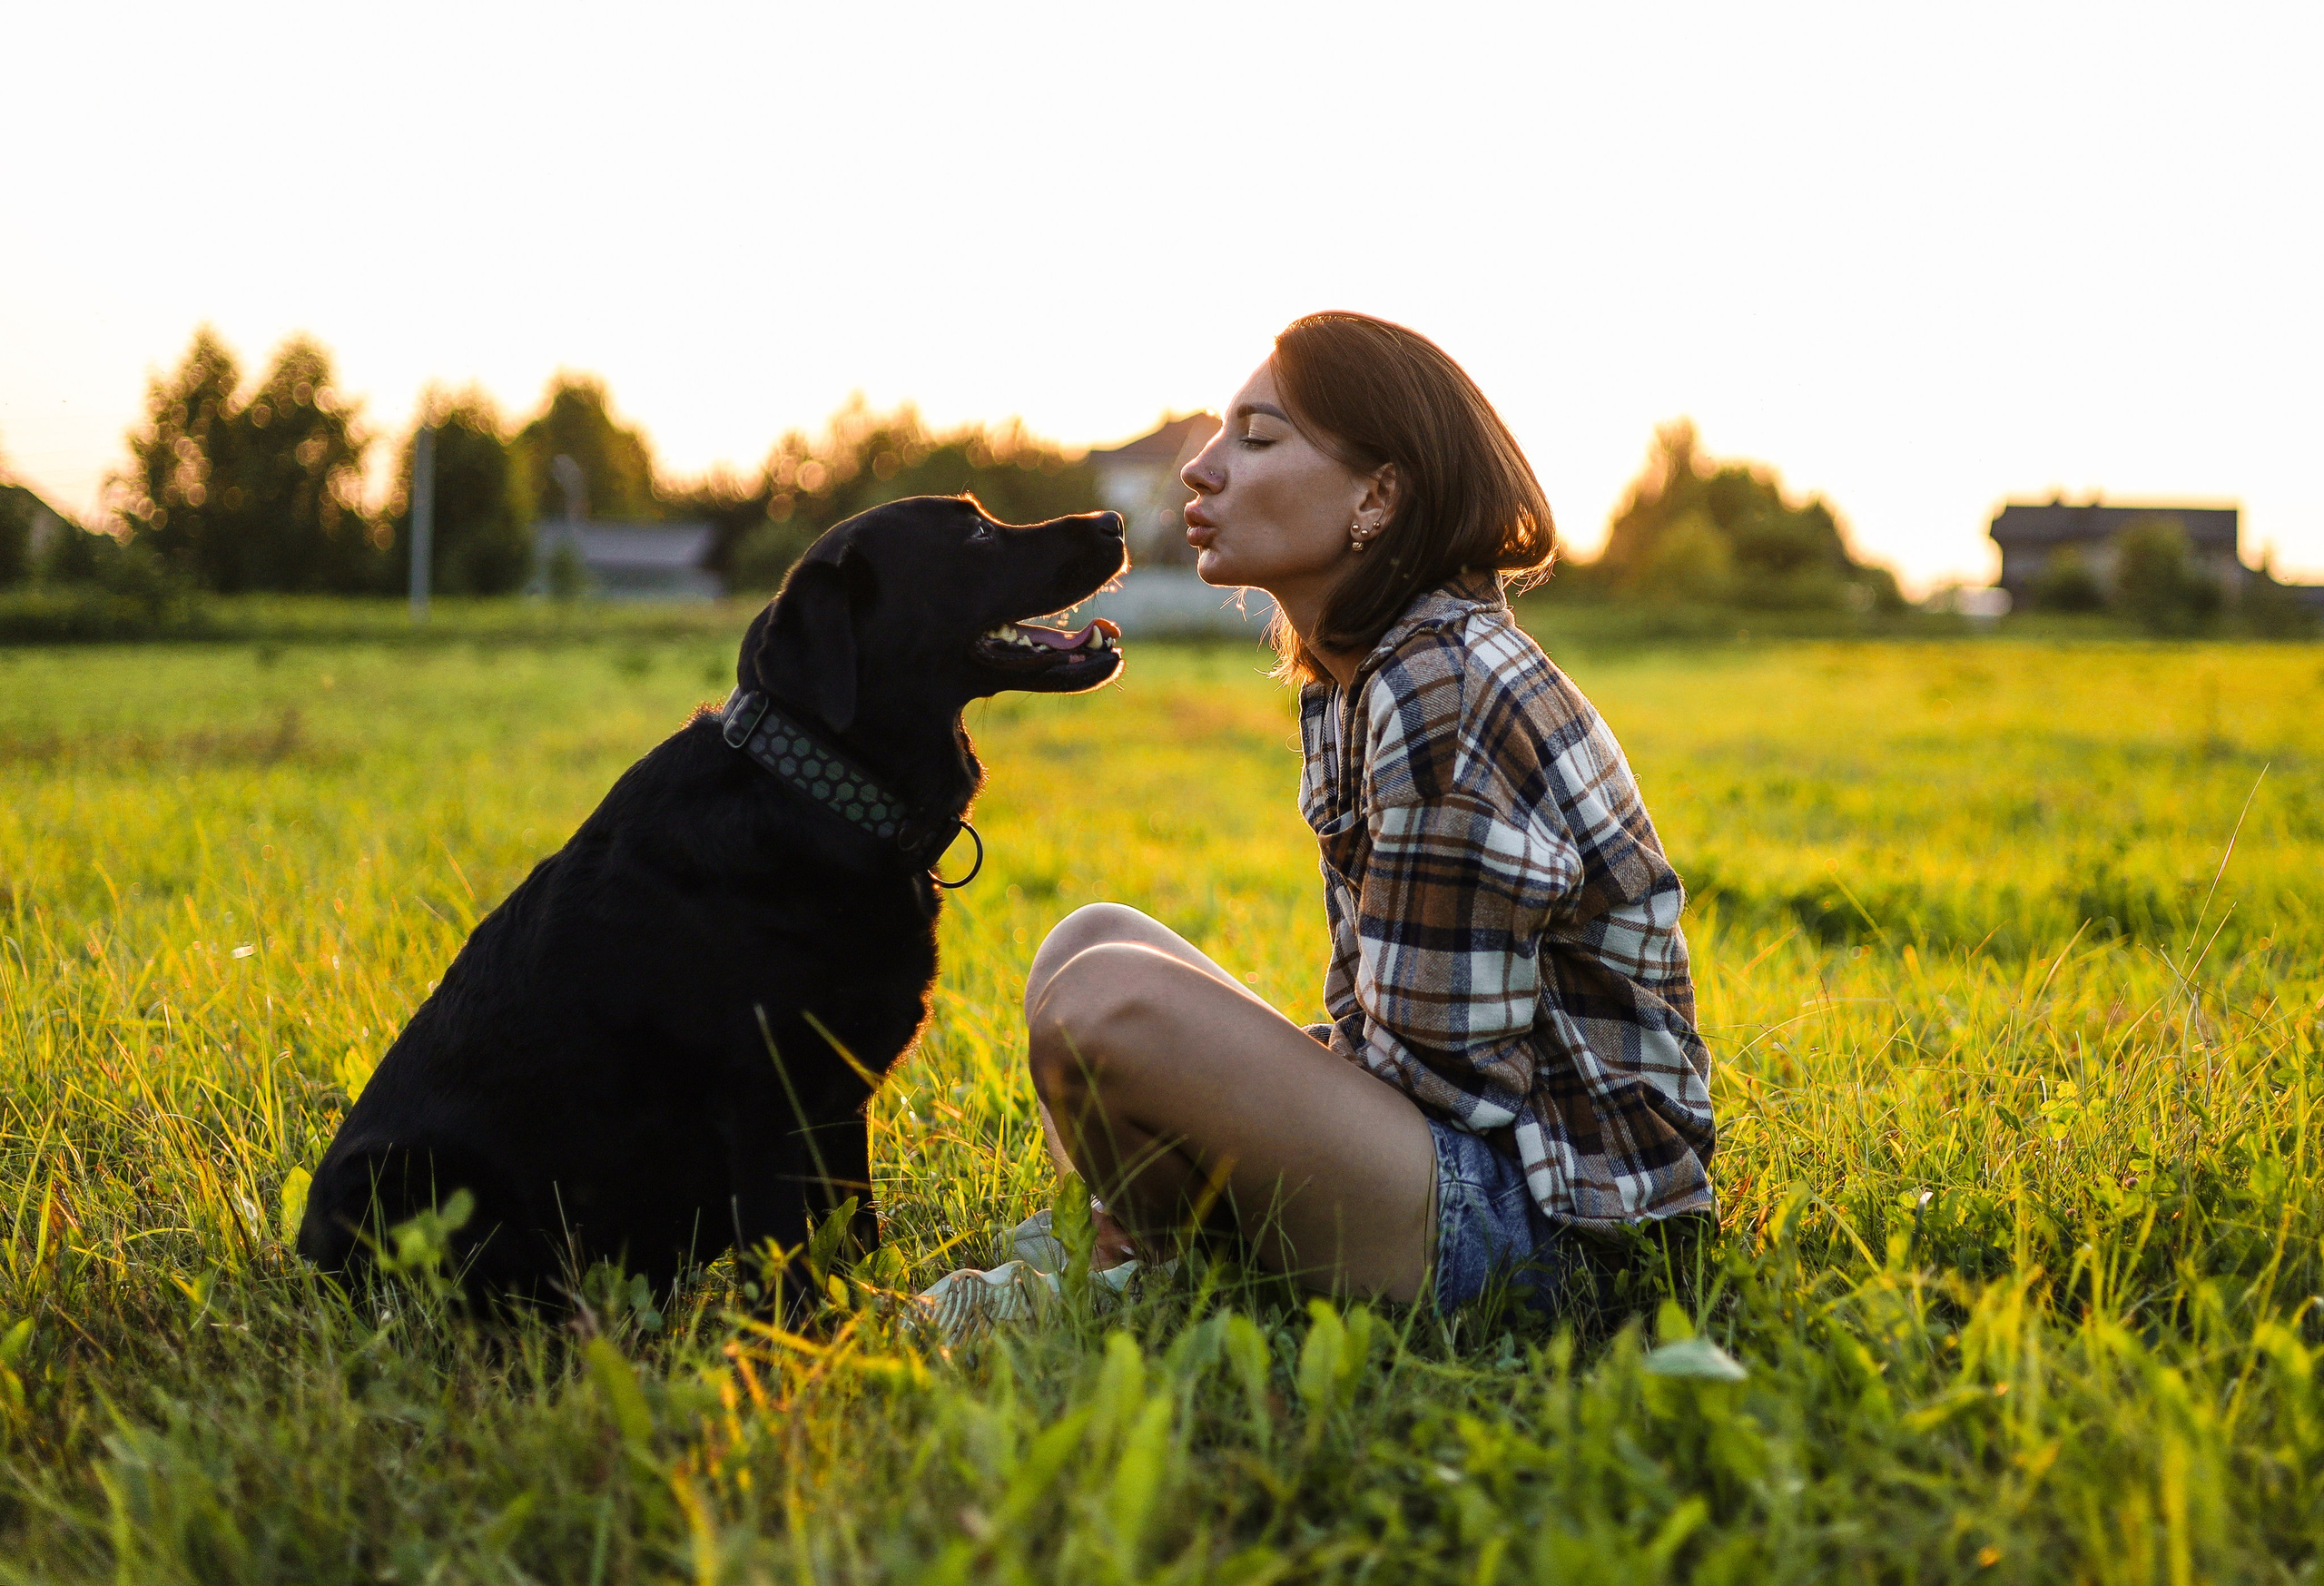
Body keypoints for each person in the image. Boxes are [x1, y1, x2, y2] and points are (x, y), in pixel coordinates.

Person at [1024, 312, 1717, 1315]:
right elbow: (1378, 1027)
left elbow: (1447, 1085)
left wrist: (1217, 1106)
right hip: (1471, 1161)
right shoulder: (1360, 674)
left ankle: (1132, 1266)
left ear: (1378, 496)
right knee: (1085, 941)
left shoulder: (1443, 688)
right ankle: (1138, 1253)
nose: (1200, 469)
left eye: (1256, 438)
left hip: (1565, 1231)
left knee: (1107, 1001)